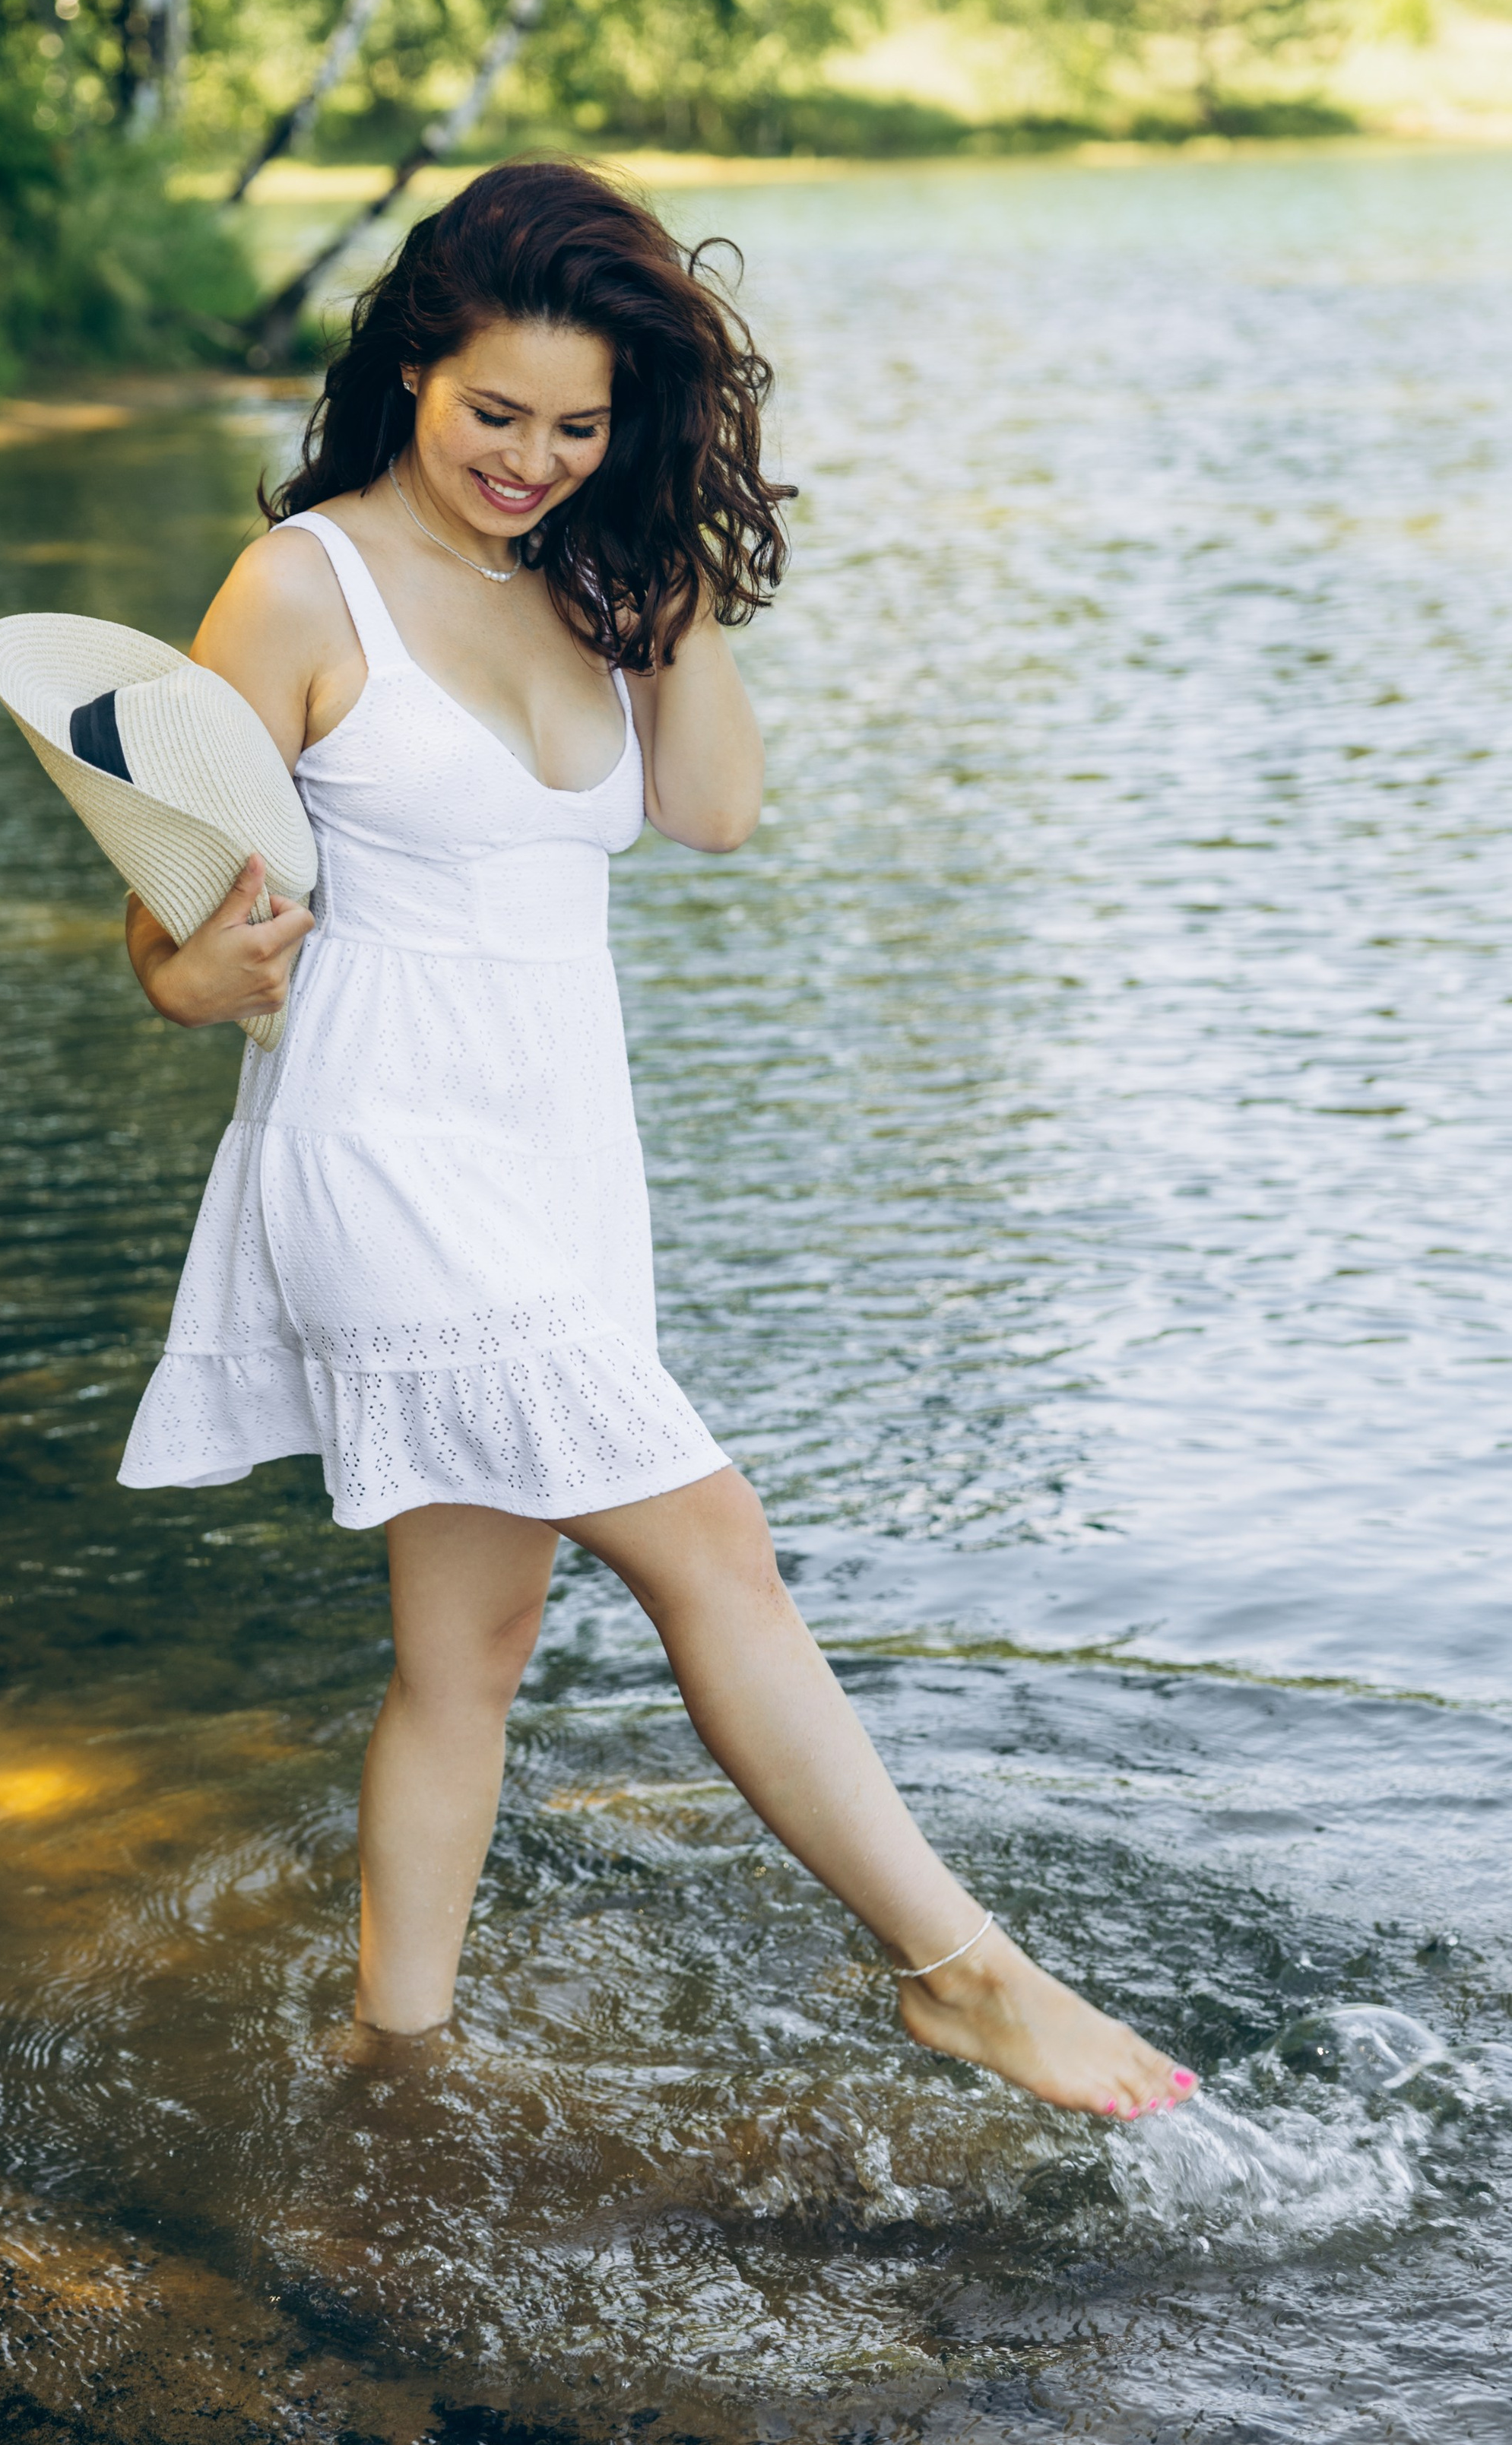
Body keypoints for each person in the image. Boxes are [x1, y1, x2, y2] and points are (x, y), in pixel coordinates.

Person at [119, 161, 1195, 2123]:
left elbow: (711, 812)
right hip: (381, 1152)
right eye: (493, 414)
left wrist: (669, 563)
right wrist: (224, 964)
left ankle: (396, 2066)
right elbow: (161, 958)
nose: (527, 459)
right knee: (716, 1541)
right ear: (411, 377)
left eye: (578, 426)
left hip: (557, 1161)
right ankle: (966, 1976)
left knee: (477, 1653)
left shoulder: (600, 579)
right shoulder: (303, 585)